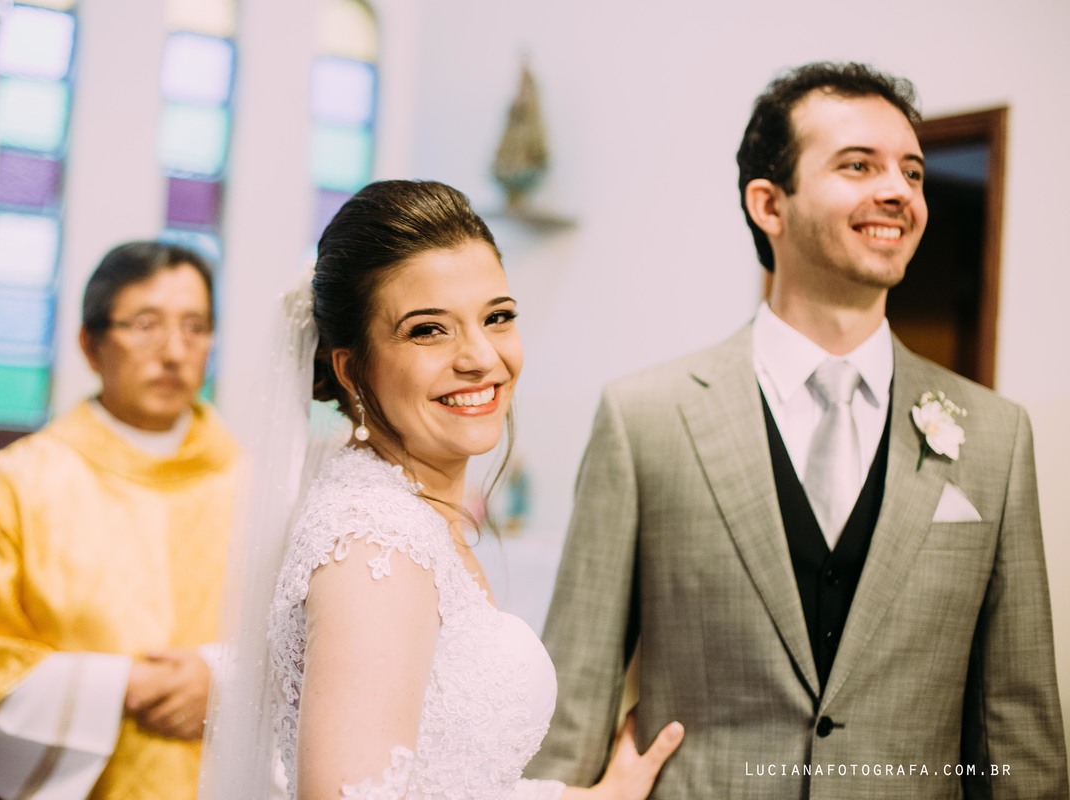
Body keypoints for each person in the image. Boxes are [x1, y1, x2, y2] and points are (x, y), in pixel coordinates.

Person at [528, 62, 1068, 799]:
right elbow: (575, 699)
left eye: (912, 171)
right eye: (859, 165)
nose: (899, 191)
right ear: (769, 205)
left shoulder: (996, 437)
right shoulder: (646, 419)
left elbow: (1018, 730)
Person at [202, 180, 683, 799]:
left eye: (497, 317)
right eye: (429, 330)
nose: (480, 357)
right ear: (351, 367)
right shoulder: (375, 546)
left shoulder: (402, 509)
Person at [0, 241, 239, 799]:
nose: (174, 351)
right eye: (145, 325)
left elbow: (307, 637)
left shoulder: (253, 483)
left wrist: (224, 677)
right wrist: (120, 687)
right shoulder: (14, 484)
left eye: (195, 327)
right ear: (91, 345)